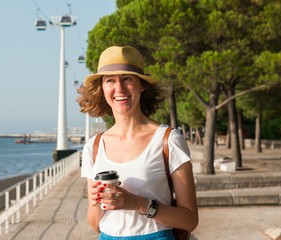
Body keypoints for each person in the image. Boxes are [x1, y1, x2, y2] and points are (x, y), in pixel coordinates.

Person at [77, 46, 198, 240]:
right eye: (110, 81)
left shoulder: (168, 140)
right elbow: (95, 224)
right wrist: (94, 201)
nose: (119, 89)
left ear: (141, 85)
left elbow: (190, 220)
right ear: (102, 88)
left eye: (127, 79)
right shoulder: (94, 146)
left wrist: (139, 204)